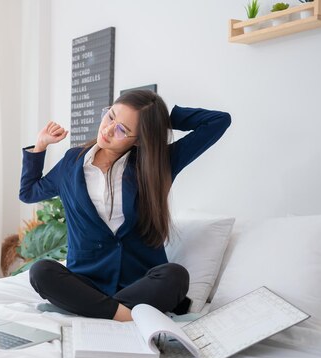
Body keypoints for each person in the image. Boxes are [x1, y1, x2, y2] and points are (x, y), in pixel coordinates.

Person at [19, 89, 231, 322]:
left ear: (139, 140)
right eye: (111, 116)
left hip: (139, 283)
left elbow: (218, 121)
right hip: (86, 281)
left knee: (175, 276)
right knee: (41, 271)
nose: (109, 130)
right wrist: (40, 146)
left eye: (123, 129)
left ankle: (98, 310)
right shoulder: (72, 162)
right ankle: (124, 315)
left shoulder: (158, 165)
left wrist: (157, 120)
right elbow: (29, 192)